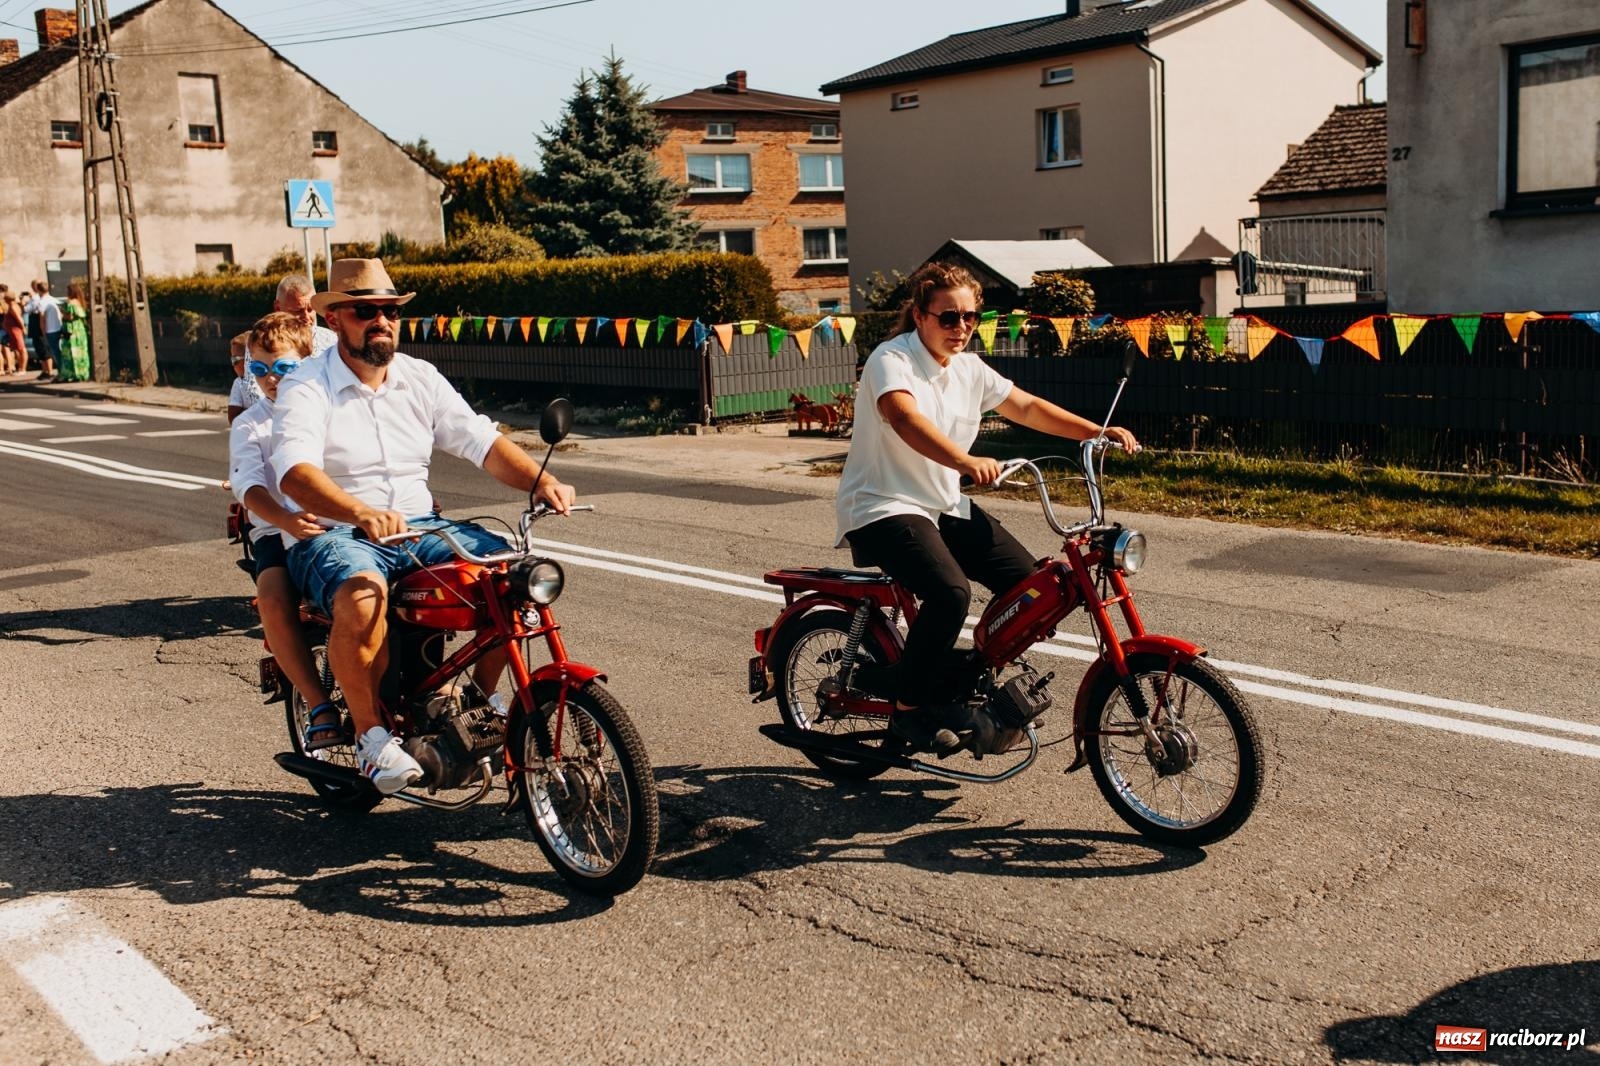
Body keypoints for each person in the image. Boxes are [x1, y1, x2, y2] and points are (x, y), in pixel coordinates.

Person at [273, 258, 576, 794]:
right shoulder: (306, 384)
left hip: (418, 528)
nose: (381, 321)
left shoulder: (419, 377)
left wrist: (540, 482)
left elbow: (481, 442)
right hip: (338, 532)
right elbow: (295, 474)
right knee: (363, 595)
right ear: (338, 318)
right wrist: (358, 511)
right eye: (366, 311)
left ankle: (482, 704)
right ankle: (371, 740)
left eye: (390, 311)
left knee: (513, 576)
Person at [834, 261, 1141, 754]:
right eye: (948, 317)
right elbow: (904, 417)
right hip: (882, 505)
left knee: (1034, 590)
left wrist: (1095, 431)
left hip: (942, 502)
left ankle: (957, 683)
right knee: (950, 593)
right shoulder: (892, 360)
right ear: (920, 316)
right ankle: (910, 709)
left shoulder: (969, 369)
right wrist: (964, 460)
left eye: (970, 317)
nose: (961, 328)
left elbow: (1026, 406)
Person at [229, 312, 334, 736]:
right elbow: (249, 488)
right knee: (272, 599)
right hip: (276, 529)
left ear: (307, 360)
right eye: (259, 369)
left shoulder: (330, 406)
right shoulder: (250, 423)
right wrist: (285, 517)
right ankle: (317, 701)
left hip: (333, 523)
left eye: (283, 367)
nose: (271, 379)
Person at [272, 274, 338, 357]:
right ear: (278, 308)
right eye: (298, 311)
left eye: (310, 310)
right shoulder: (261, 346)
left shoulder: (332, 342)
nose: (306, 317)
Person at [56, 283, 90, 383]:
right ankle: (82, 373)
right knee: (81, 352)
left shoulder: (70, 302)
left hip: (72, 329)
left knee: (69, 353)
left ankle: (69, 373)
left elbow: (70, 317)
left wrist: (62, 312)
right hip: (80, 329)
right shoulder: (81, 302)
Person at [226, 331, 263, 423]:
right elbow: (233, 416)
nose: (233, 365)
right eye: (232, 360)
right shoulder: (239, 383)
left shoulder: (270, 379)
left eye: (236, 360)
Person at [29, 280, 62, 383]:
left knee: (53, 353)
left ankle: (59, 373)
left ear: (38, 290)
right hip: (58, 327)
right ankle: (60, 372)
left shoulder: (42, 302)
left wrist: (43, 332)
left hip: (50, 330)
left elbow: (42, 319)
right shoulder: (54, 299)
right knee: (58, 352)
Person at [0, 285, 24, 375]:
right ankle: (12, 367)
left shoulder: (3, 301)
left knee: (5, 349)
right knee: (10, 349)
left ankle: (2, 369)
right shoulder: (9, 302)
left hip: (3, 328)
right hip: (7, 328)